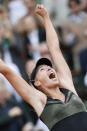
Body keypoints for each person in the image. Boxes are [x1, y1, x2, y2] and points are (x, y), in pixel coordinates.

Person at [0, 5, 87, 131]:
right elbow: (6, 71)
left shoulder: (68, 87)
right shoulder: (39, 100)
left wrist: (46, 17)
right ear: (37, 83)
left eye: (49, 67)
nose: (49, 69)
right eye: (42, 69)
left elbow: (55, 50)